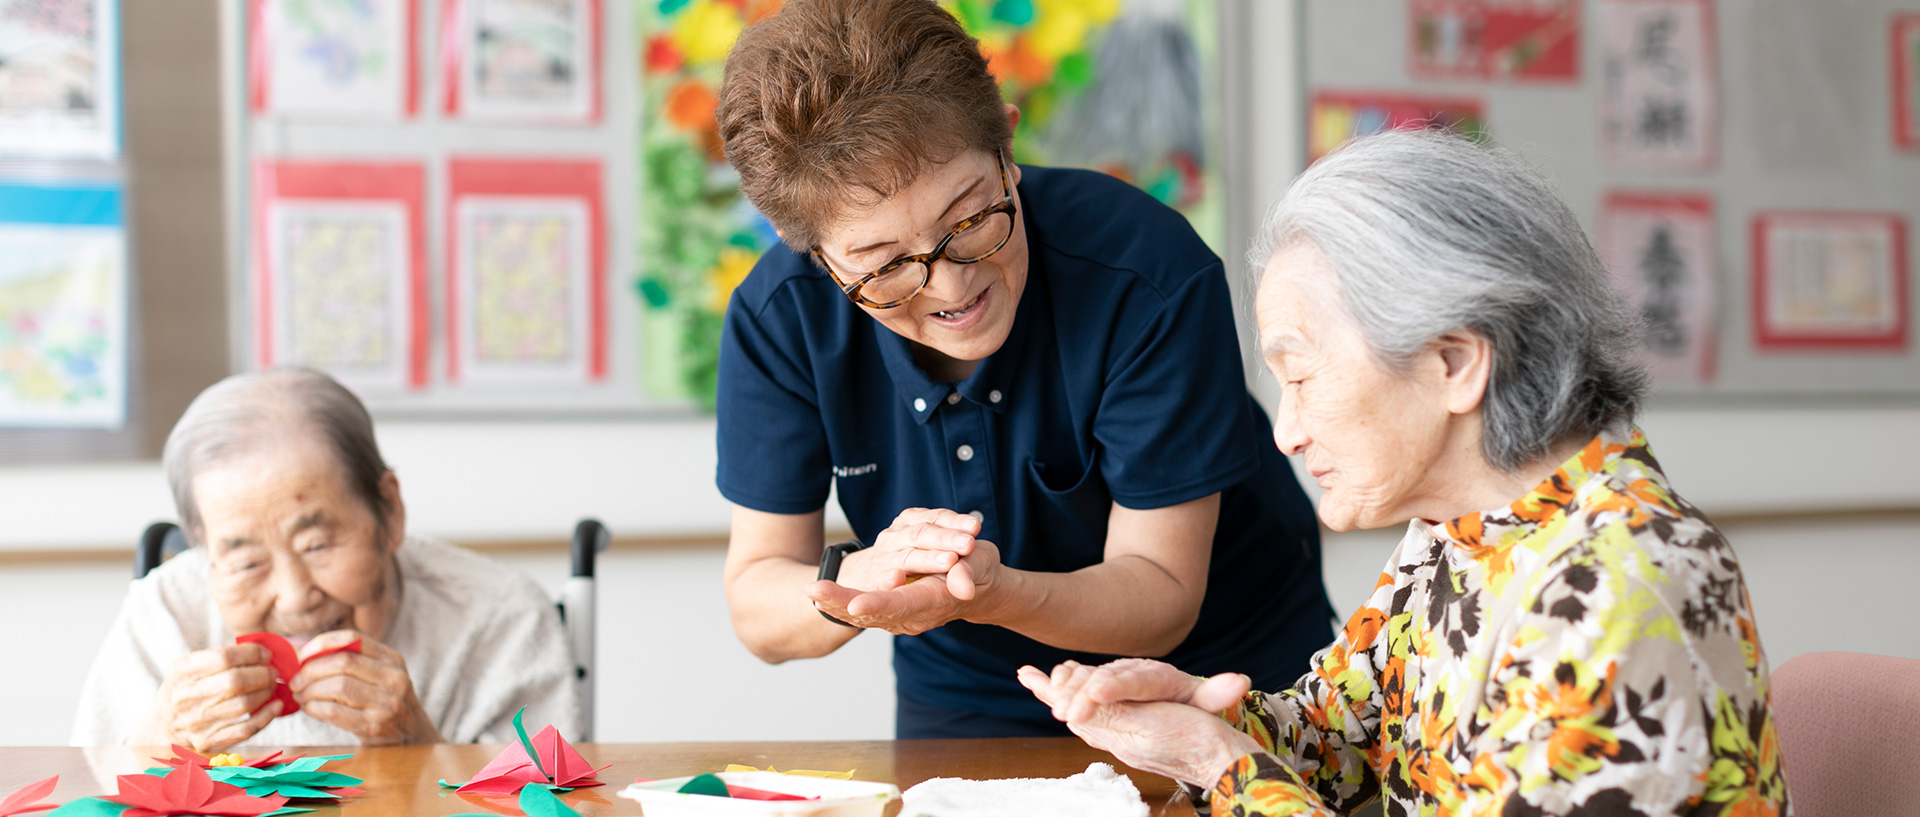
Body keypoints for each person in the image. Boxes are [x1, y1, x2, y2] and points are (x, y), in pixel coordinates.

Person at [1019, 130, 1790, 815]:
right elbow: (1339, 739)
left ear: (1454, 362)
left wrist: (1222, 766)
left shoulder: (1620, 582)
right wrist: (1203, 716)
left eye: (1302, 376)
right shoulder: (1461, 533)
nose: (1284, 433)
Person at [713, 0, 1331, 738]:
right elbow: (757, 600)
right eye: (883, 267)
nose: (949, 287)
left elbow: (1161, 592)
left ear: (1006, 142)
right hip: (970, 691)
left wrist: (989, 590)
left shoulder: (1145, 273)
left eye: (972, 221)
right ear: (804, 244)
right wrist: (855, 581)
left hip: (1218, 665)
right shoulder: (779, 317)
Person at [72, 368, 581, 751]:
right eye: (248, 561)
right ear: (205, 546)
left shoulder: (501, 615)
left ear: (390, 510)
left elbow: (551, 803)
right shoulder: (165, 610)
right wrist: (159, 740)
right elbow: (88, 788)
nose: (295, 597)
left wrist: (422, 746)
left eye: (316, 545)